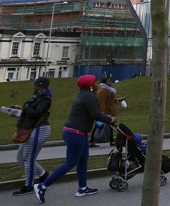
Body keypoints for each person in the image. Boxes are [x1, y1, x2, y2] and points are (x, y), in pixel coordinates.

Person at [33, 74, 116, 202]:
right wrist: (110, 119)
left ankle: (82, 188)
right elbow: (95, 114)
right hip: (75, 133)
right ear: (89, 85)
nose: (97, 84)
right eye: (94, 82)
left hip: (76, 132)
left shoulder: (82, 95)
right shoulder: (89, 96)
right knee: (70, 162)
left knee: (83, 161)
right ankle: (42, 186)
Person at [12, 76, 52, 196]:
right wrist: (18, 111)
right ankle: (43, 174)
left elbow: (37, 113)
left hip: (40, 129)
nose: (34, 87)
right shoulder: (36, 97)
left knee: (28, 159)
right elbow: (29, 113)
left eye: (36, 85)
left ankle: (28, 185)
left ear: (41, 87)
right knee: (20, 157)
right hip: (31, 128)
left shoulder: (45, 99)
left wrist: (26, 108)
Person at [90, 76, 118, 147]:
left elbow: (109, 100)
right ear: (105, 83)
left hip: (108, 111)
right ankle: (91, 141)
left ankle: (111, 140)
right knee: (97, 125)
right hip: (105, 112)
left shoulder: (108, 90)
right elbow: (102, 101)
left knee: (110, 125)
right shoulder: (103, 91)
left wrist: (116, 100)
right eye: (109, 81)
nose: (110, 82)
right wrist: (102, 111)